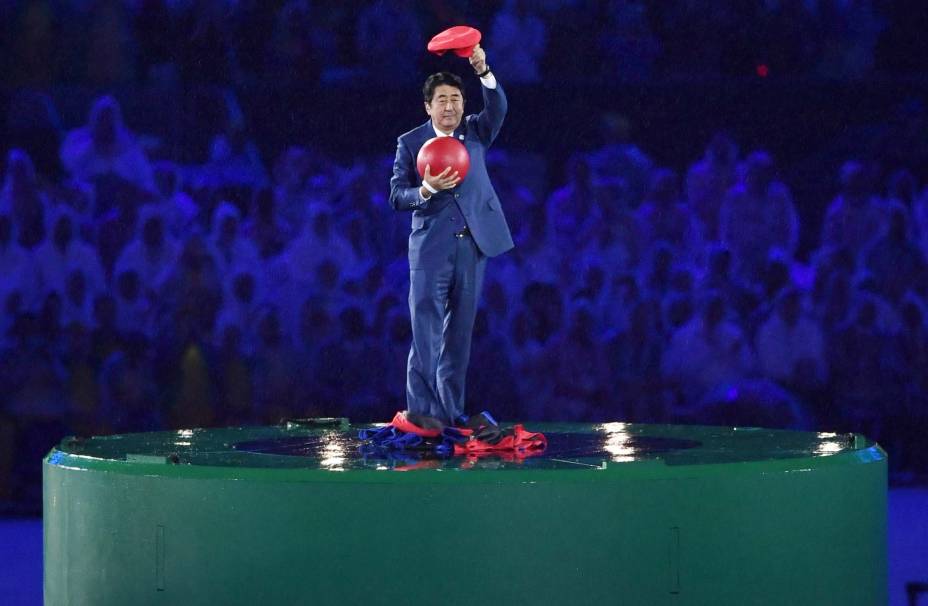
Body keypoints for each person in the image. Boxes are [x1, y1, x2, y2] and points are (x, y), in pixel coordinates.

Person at [389, 46, 513, 425]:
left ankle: (450, 412)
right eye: (441, 99)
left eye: (456, 99)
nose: (450, 106)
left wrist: (484, 70)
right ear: (428, 106)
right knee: (425, 331)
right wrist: (425, 190)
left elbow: (498, 110)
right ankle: (422, 414)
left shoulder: (475, 131)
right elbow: (397, 196)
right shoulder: (410, 143)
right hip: (430, 249)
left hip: (472, 245)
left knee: (459, 334)